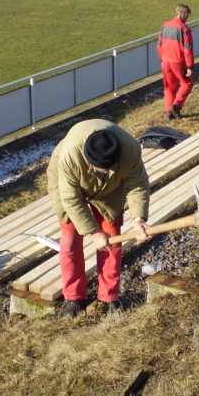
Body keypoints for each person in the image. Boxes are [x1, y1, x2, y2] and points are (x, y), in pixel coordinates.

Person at [47, 119, 151, 318]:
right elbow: (71, 199)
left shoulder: (129, 150)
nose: (105, 171)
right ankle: (73, 297)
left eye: (108, 167)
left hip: (110, 189)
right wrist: (93, 231)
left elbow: (138, 185)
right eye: (100, 168)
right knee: (70, 238)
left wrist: (138, 219)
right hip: (67, 183)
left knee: (112, 236)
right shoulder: (69, 156)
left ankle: (108, 296)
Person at [158, 4, 194, 121]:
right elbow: (187, 49)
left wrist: (161, 60)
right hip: (178, 62)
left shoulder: (165, 25)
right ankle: (176, 105)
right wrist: (190, 66)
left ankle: (169, 112)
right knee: (186, 84)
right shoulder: (185, 29)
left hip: (165, 60)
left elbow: (159, 45)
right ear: (185, 14)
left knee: (169, 87)